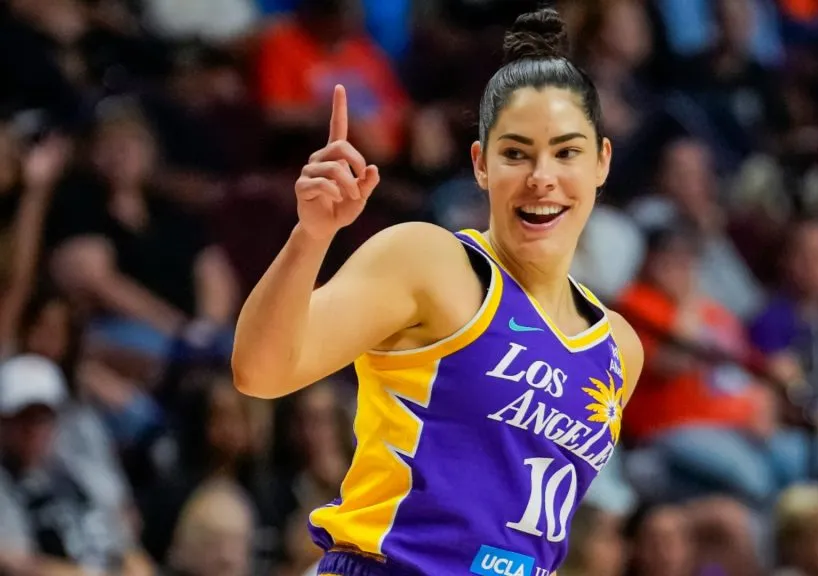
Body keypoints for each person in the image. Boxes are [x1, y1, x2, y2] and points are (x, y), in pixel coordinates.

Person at [231, 8, 644, 576]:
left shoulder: (620, 348)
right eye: (516, 153)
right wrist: (312, 236)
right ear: (480, 165)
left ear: (601, 161)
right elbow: (260, 372)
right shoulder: (432, 261)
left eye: (566, 152)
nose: (541, 177)